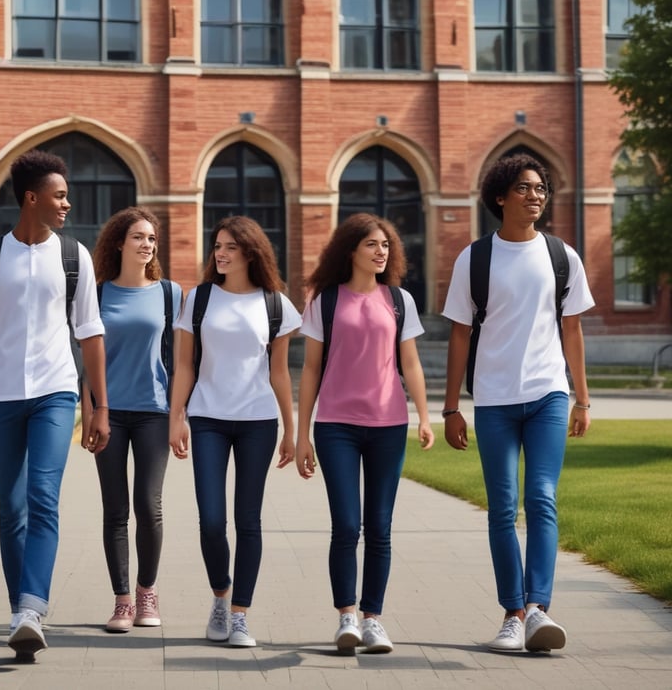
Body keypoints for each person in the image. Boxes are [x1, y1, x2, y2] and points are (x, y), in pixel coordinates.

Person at [0, 149, 108, 661]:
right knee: (12, 509)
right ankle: (21, 608)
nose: (67, 203)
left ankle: (30, 609)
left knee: (43, 497)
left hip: (55, 392)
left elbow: (89, 332)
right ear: (31, 198)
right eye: (59, 195)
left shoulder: (74, 256)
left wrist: (98, 407)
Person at [441, 153, 594, 654]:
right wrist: (450, 408)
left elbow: (572, 330)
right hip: (495, 398)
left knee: (542, 499)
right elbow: (459, 336)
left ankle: (538, 610)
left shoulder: (562, 256)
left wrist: (582, 398)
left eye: (541, 188)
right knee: (503, 507)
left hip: (549, 392)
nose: (537, 195)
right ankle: (512, 612)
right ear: (500, 197)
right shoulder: (475, 259)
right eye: (526, 188)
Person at [295, 213, 434, 655]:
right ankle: (346, 618)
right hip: (336, 425)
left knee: (380, 527)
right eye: (372, 245)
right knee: (346, 525)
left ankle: (373, 619)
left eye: (386, 246)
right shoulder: (325, 302)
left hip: (389, 424)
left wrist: (425, 417)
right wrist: (302, 435)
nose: (381, 252)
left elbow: (409, 363)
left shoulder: (399, 301)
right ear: (350, 250)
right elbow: (311, 369)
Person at [168, 216, 301, 648]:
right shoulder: (200, 299)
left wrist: (291, 428)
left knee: (248, 520)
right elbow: (185, 364)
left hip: (258, 421)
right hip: (207, 416)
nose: (220, 254)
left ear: (251, 252)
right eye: (217, 246)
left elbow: (279, 372)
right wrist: (177, 417)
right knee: (210, 520)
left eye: (229, 247)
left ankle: (240, 614)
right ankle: (220, 598)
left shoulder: (275, 304)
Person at [81, 207, 183, 633]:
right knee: (115, 508)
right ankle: (122, 601)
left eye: (152, 239)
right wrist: (88, 414)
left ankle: (147, 592)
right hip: (108, 414)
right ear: (119, 242)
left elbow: (180, 362)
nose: (147, 245)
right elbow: (85, 361)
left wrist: (180, 416)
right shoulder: (97, 293)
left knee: (149, 505)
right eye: (139, 237)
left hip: (154, 411)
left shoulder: (169, 293)